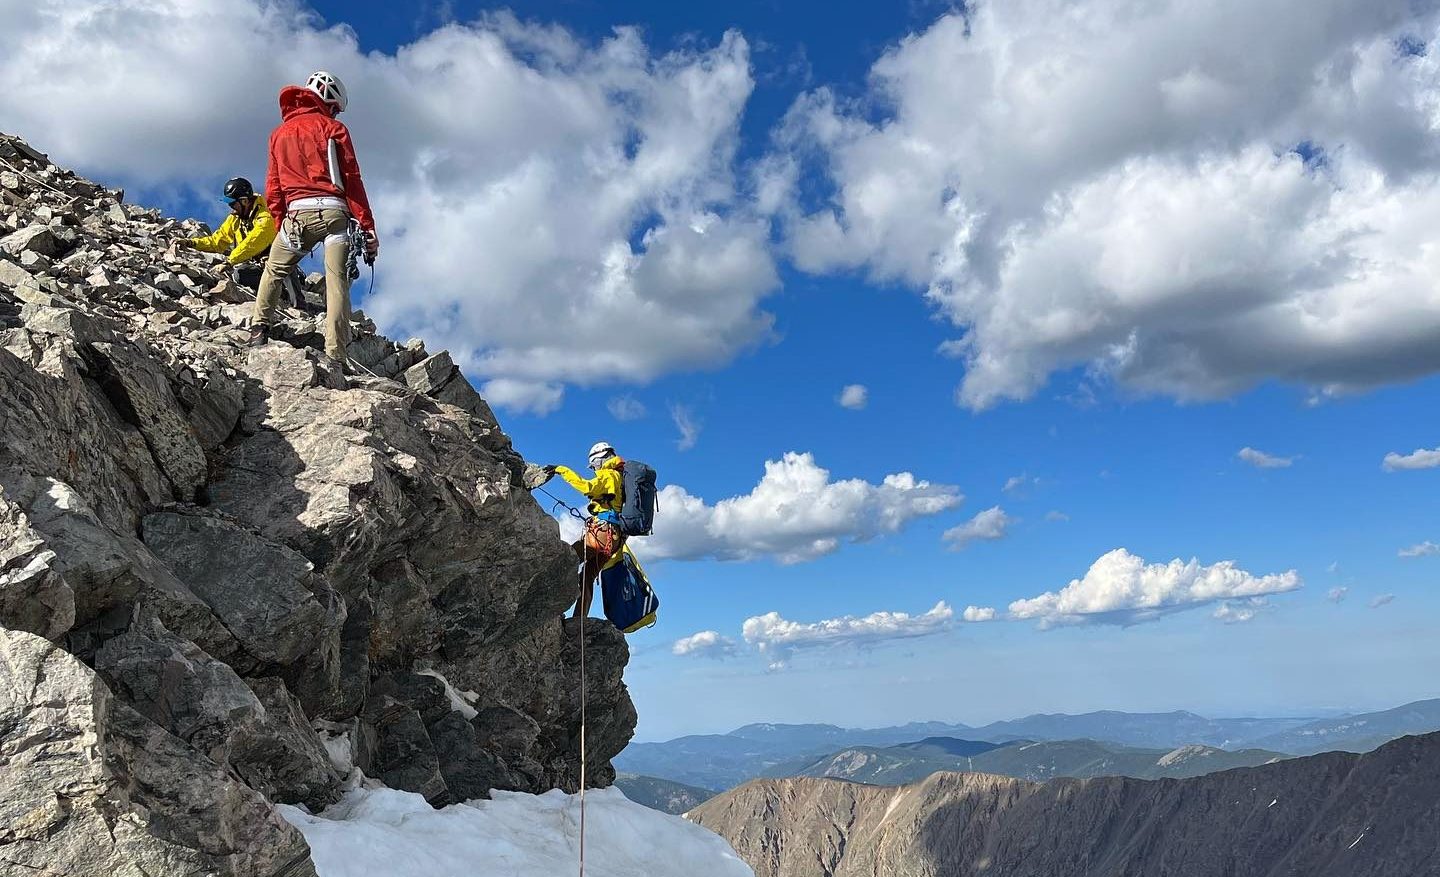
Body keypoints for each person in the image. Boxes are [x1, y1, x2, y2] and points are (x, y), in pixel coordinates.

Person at [249, 70, 378, 367]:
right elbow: (353, 181)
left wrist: (282, 223)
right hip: (335, 213)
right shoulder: (335, 128)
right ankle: (336, 355)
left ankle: (258, 330)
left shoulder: (278, 134)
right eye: (334, 107)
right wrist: (368, 228)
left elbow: (273, 187)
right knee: (337, 283)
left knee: (273, 271)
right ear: (329, 101)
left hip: (296, 214)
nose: (334, 112)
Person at [179, 178, 303, 304]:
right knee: (241, 274)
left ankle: (299, 306)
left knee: (285, 265)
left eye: (233, 204)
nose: (231, 208)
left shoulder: (266, 218)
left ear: (244, 201)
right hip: (259, 266)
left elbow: (252, 243)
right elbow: (217, 241)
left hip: (277, 264)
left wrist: (229, 262)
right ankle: (281, 295)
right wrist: (191, 243)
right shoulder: (235, 218)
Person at [547, 441, 627, 619]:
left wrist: (561, 470)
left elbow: (586, 487)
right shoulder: (621, 477)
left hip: (601, 533)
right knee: (586, 577)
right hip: (614, 539)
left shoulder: (608, 475)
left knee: (565, 558)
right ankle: (579, 620)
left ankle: (547, 604)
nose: (594, 469)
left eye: (594, 465)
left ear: (600, 459)